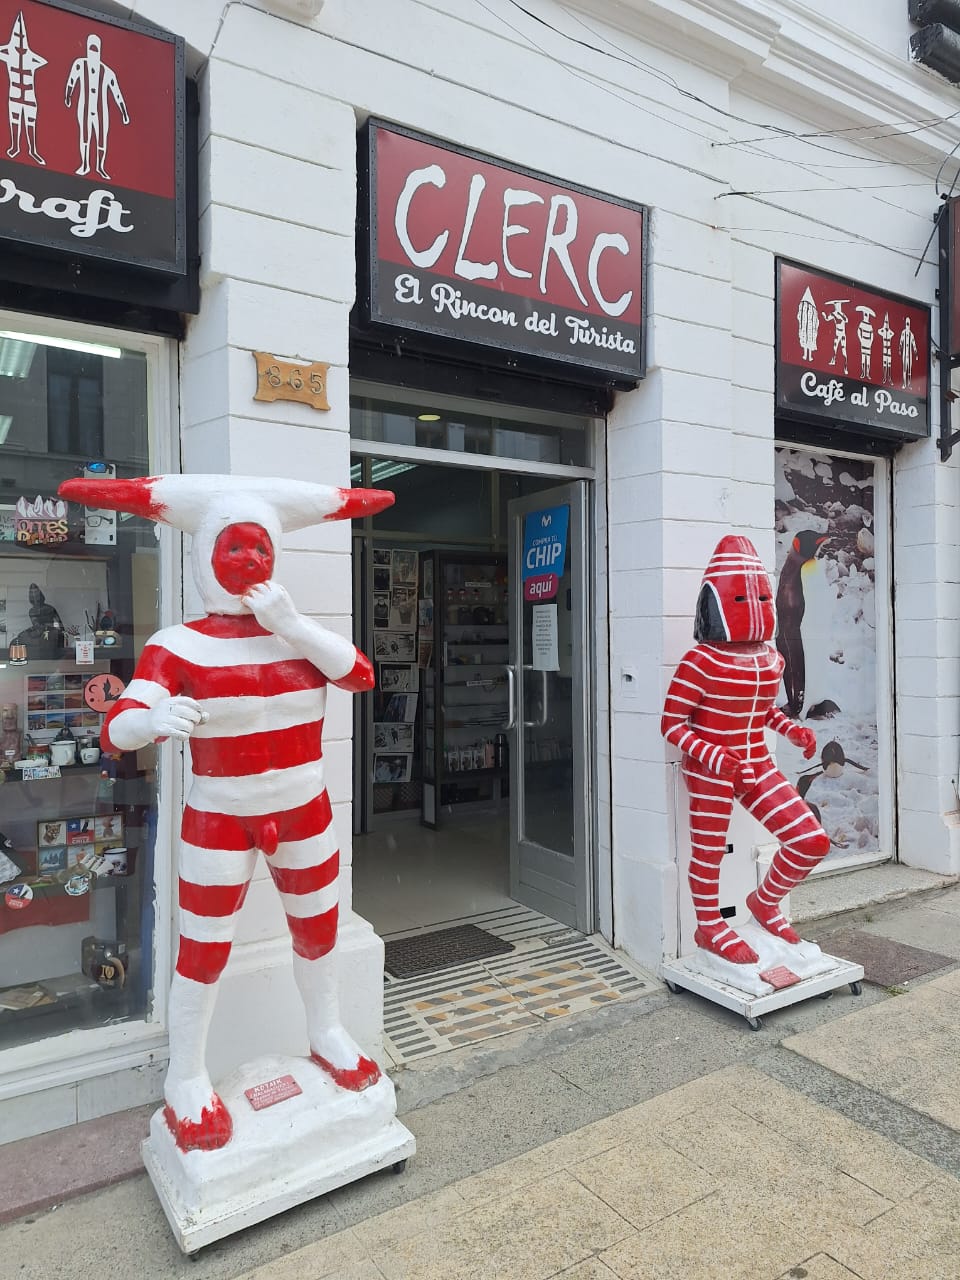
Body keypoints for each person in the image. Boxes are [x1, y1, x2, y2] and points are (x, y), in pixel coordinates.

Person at [58, 472, 394, 1153]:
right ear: (205, 555)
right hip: (219, 817)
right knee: (204, 948)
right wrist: (151, 717)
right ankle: (186, 1075)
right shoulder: (176, 646)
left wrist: (290, 623)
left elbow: (361, 675)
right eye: (233, 546)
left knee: (320, 931)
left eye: (259, 546)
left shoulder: (301, 635)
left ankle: (328, 1032)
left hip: (304, 809)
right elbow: (116, 728)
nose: (247, 559)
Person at [661, 535, 830, 965]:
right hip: (712, 771)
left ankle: (764, 903)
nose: (754, 605)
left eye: (760, 596)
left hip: (757, 762)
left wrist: (791, 730)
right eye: (741, 597)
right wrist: (716, 757)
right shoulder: (699, 662)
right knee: (709, 852)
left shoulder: (770, 659)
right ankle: (709, 926)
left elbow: (760, 709)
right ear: (715, 603)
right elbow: (671, 725)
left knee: (810, 840)